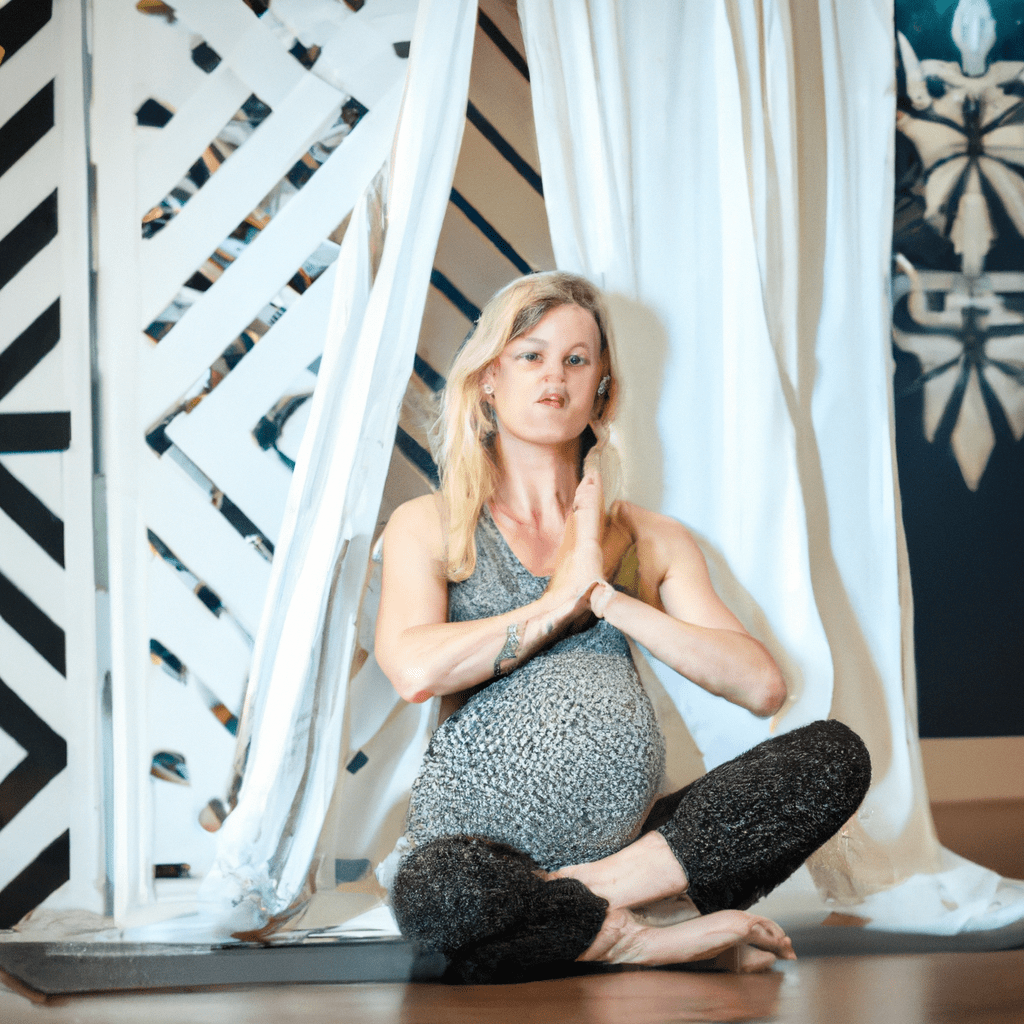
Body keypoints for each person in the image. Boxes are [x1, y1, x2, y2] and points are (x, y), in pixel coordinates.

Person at [374, 272, 870, 982]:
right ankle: (637, 939)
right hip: (472, 851)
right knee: (441, 895)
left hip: (638, 855)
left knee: (834, 757)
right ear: (488, 378)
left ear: (601, 387)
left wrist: (606, 597)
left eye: (577, 360)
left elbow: (760, 685)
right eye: (531, 355)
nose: (555, 375)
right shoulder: (433, 524)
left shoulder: (650, 538)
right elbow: (414, 669)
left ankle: (574, 908)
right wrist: (557, 602)